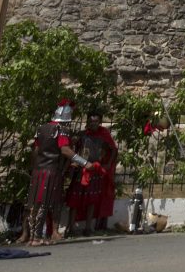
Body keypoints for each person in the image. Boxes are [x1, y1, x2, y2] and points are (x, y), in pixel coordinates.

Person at [25, 100, 93, 245]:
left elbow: (36, 151)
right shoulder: (61, 130)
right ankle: (37, 237)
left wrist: (34, 167)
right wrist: (85, 163)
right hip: (51, 171)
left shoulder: (41, 128)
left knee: (36, 203)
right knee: (44, 203)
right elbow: (65, 150)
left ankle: (33, 237)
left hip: (38, 171)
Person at [64, 110, 117, 236]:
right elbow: (72, 149)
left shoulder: (104, 135)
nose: (93, 124)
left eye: (96, 121)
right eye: (91, 121)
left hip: (95, 170)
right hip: (80, 170)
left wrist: (108, 164)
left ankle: (88, 228)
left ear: (99, 122)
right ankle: (70, 228)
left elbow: (113, 150)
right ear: (87, 121)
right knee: (75, 200)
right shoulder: (81, 135)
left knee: (91, 201)